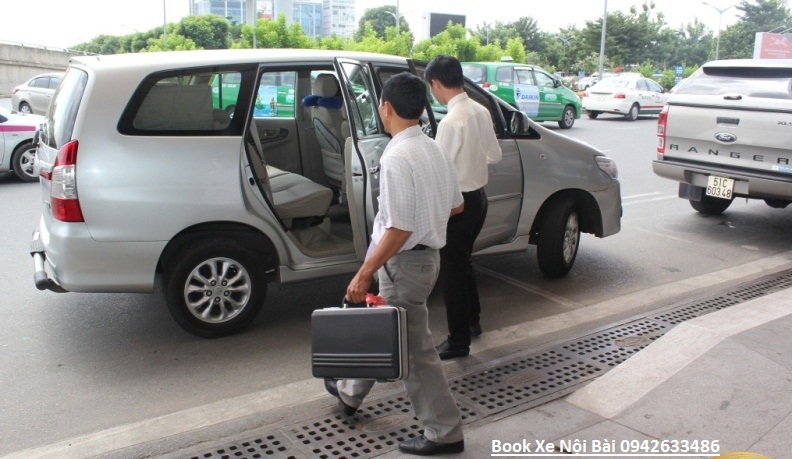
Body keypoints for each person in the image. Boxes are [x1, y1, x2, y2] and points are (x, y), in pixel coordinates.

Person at [323, 72, 466, 456]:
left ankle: (444, 432)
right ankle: (350, 393)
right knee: (389, 332)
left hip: (404, 264)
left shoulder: (397, 155)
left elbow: (399, 227)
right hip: (425, 259)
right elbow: (457, 205)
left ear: (385, 107)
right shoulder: (433, 147)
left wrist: (365, 271)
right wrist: (427, 220)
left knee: (415, 354)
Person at [424, 55, 502, 360]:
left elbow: (441, 172)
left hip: (458, 206)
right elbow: (494, 156)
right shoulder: (480, 111)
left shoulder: (451, 122)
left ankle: (458, 342)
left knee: (453, 273)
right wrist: (471, 162)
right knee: (463, 263)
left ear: (436, 83)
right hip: (478, 201)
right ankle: (472, 323)